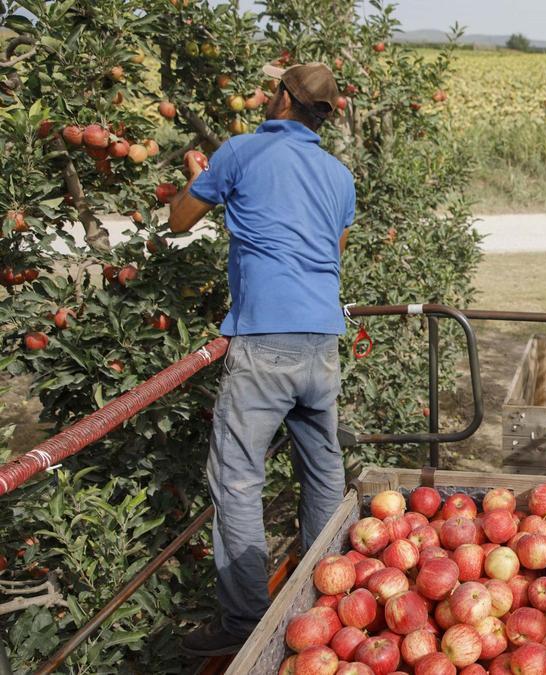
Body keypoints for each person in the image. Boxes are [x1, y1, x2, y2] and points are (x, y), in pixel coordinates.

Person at [168, 62, 356, 656]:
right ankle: (328, 592)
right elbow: (331, 248)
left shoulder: (240, 152)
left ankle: (245, 624)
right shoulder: (338, 174)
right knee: (324, 471)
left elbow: (177, 221)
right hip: (322, 339)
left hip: (264, 341)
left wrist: (197, 176)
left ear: (281, 99)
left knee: (237, 477)